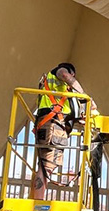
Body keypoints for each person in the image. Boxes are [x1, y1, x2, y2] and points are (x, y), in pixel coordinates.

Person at [31, 62, 96, 200]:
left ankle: (37, 200)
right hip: (53, 124)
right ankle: (37, 203)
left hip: (49, 123)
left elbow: (67, 110)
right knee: (46, 166)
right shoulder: (60, 72)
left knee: (45, 164)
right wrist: (84, 96)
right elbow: (64, 75)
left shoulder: (52, 89)